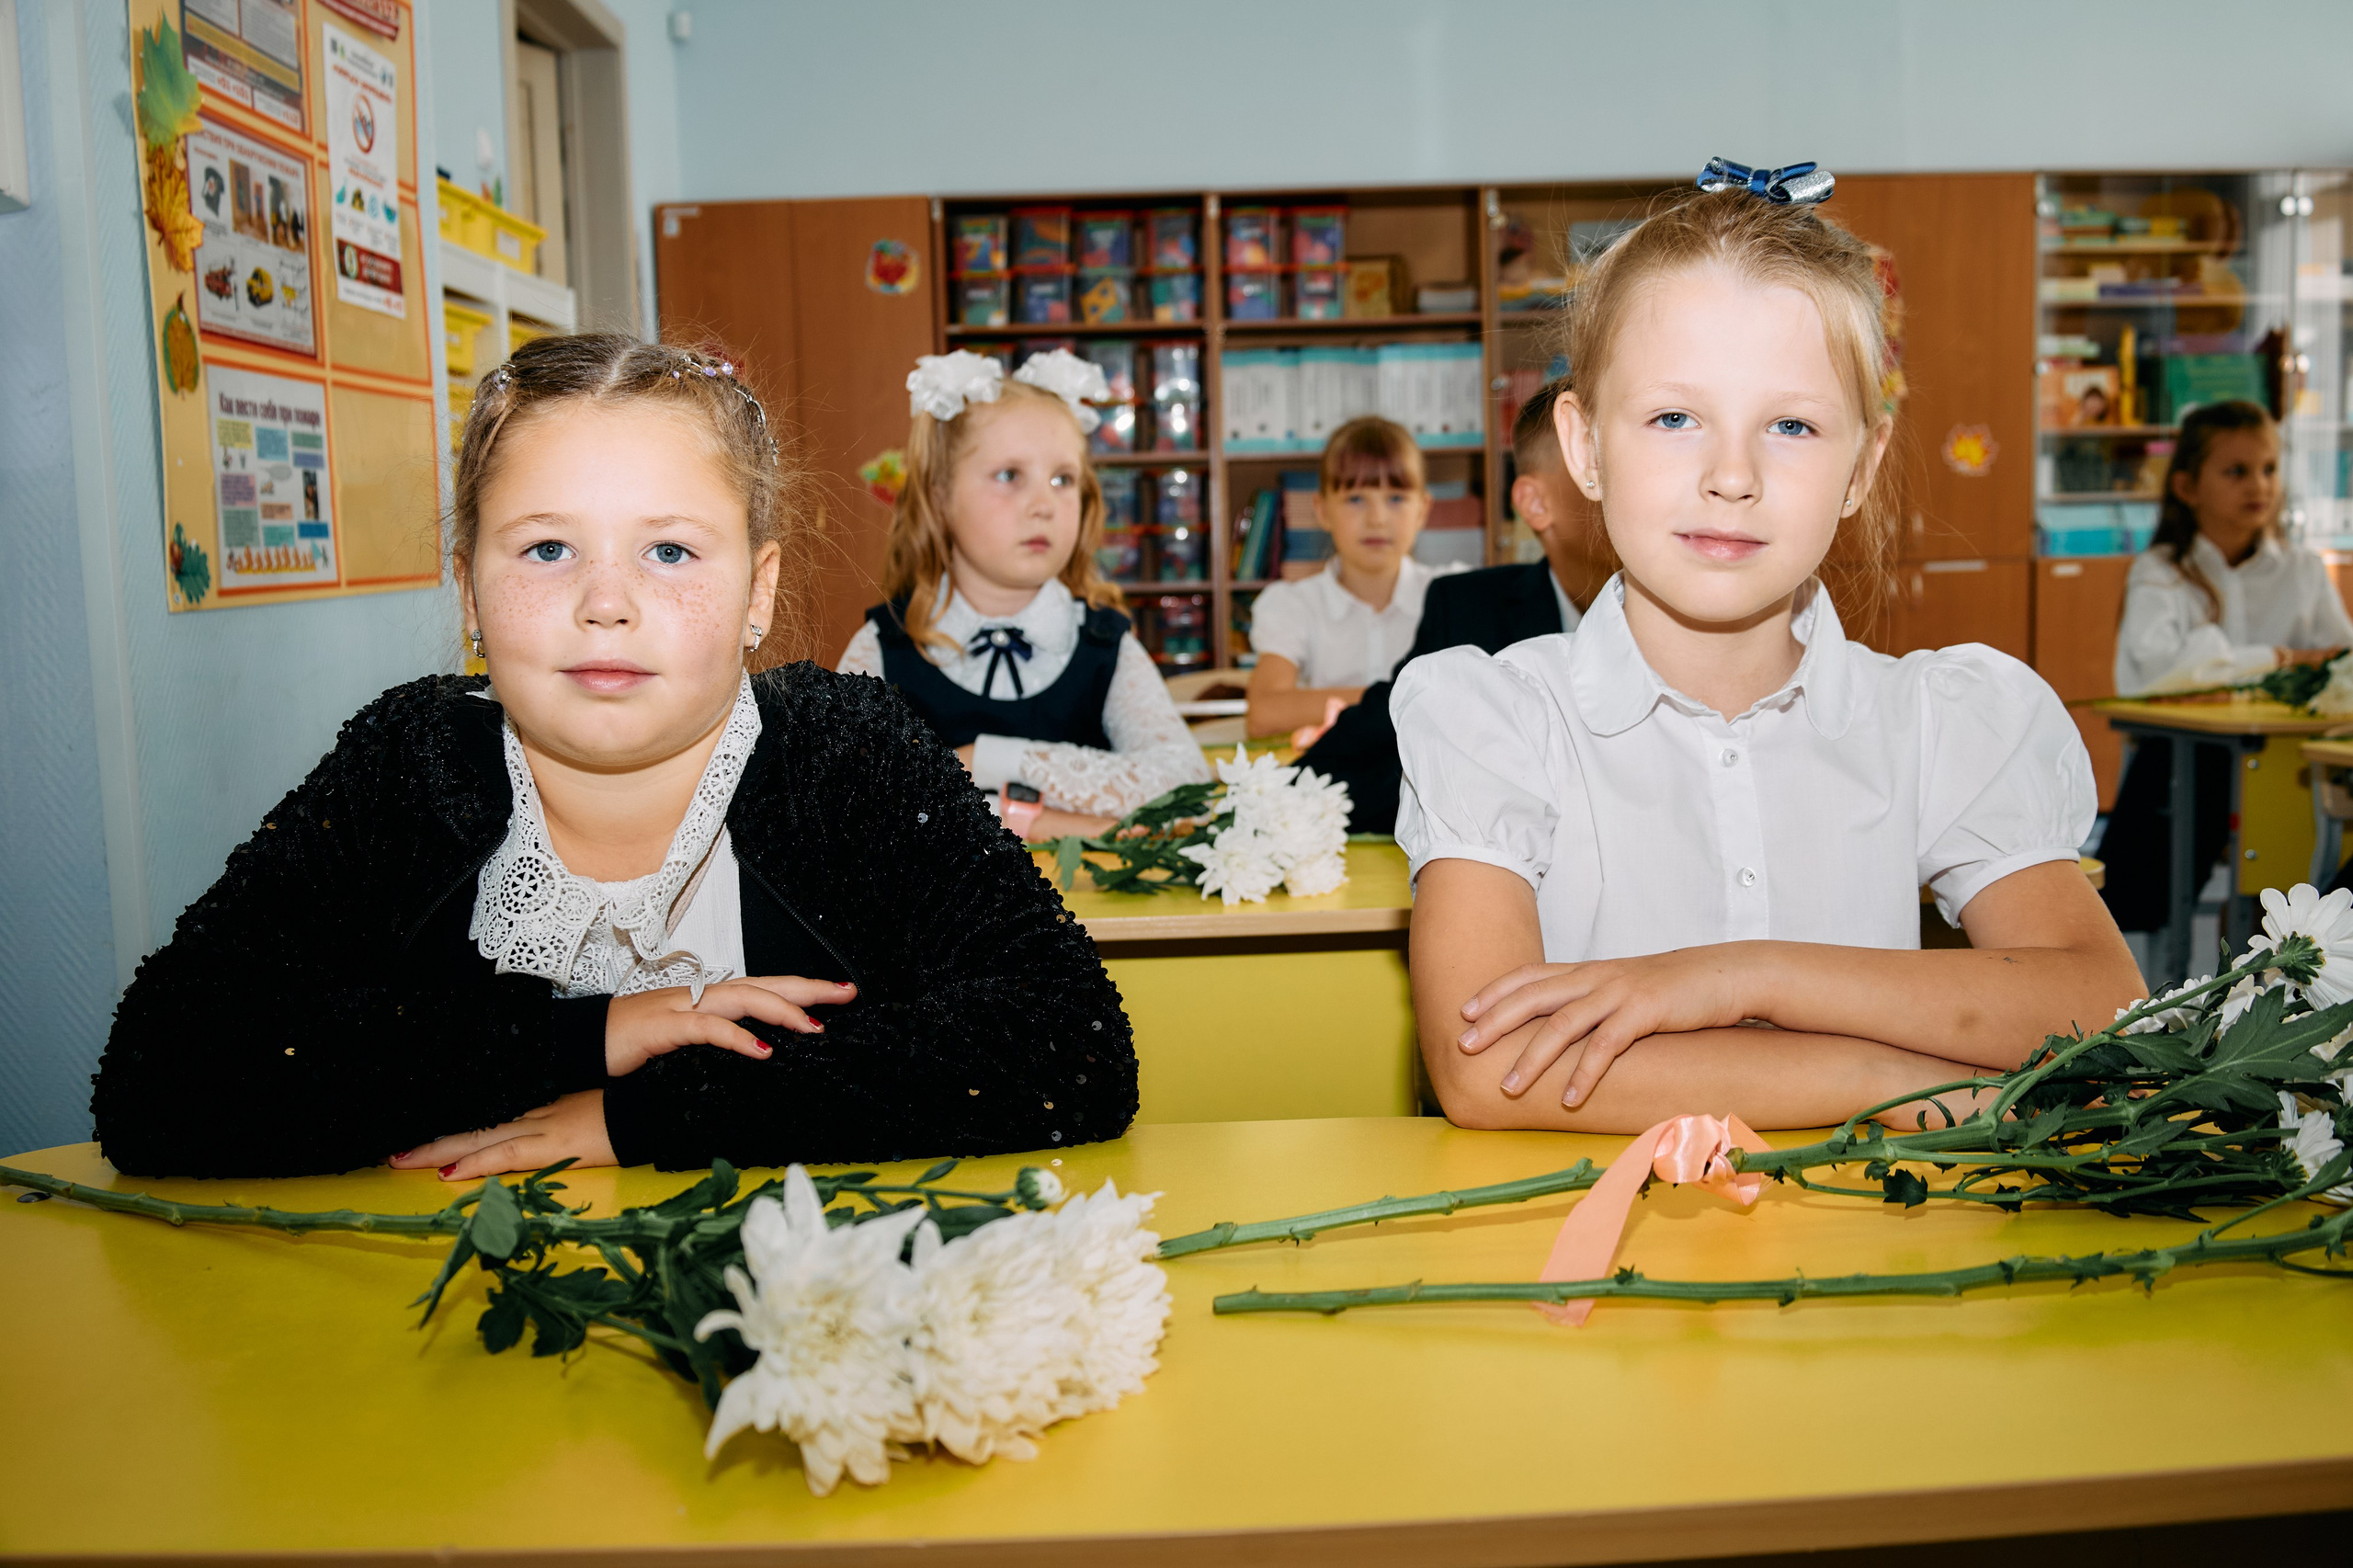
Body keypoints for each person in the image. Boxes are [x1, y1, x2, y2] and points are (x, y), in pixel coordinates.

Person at [91, 334, 1137, 1179]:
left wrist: (640, 1112)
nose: (606, 602)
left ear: (757, 592)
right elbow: (161, 1076)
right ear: (467, 588)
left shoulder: (847, 749)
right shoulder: (411, 761)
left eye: (670, 550)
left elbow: (1068, 1045)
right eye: (548, 549)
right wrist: (588, 1036)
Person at [1392, 176, 2143, 1134]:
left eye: (1790, 425)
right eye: (1674, 418)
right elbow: (1489, 1066)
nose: (1732, 476)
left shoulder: (1937, 719)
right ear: (1582, 446)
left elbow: (2098, 1001)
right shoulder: (1498, 717)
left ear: (1860, 468)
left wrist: (1743, 973)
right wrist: (1889, 1083)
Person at [837, 350, 1210, 840]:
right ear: (940, 496)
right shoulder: (882, 647)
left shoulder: (1105, 645)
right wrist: (1066, 824)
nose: (1043, 505)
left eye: (1063, 480)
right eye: (1010, 476)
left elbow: (1187, 786)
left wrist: (985, 760)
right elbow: (843, 808)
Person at [1295, 377, 1611, 831]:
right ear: (1535, 502)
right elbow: (1355, 761)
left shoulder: (1713, 621)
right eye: (1600, 466)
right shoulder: (1469, 611)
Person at [2098, 399, 2352, 930]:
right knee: (2190, 779)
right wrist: (2278, 659)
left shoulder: (2302, 570)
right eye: (2236, 472)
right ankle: (2162, 966)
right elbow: (2149, 676)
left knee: (2294, 852)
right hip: (2189, 768)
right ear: (2187, 487)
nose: (2257, 486)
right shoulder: (2161, 571)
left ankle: (2290, 944)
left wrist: (2231, 667)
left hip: (2286, 765)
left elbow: (2340, 665)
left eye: (2268, 469)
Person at [1245, 416, 1461, 738]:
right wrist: (1406, 699)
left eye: (1396, 498)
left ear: (1423, 510)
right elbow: (1265, 713)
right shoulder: (1292, 603)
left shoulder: (1454, 592)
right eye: (1356, 499)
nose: (1377, 519)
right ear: (1322, 510)